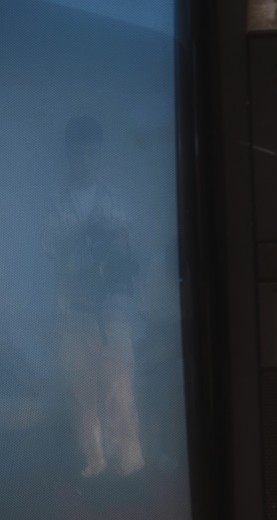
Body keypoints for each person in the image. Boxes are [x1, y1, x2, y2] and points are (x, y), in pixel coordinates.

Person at [45, 113, 144, 479]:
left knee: (121, 387)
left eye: (91, 152)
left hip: (113, 309)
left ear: (99, 153)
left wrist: (110, 241)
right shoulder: (54, 203)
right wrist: (82, 232)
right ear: (68, 155)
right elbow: (49, 253)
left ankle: (129, 466)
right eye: (78, 152)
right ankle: (94, 464)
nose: (84, 159)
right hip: (71, 310)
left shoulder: (116, 201)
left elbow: (129, 254)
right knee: (80, 390)